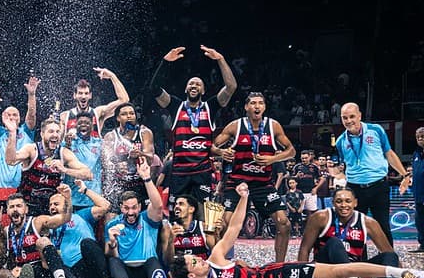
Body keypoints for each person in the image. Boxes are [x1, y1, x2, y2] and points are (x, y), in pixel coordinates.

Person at [168, 182, 424, 278]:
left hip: (278, 274)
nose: (199, 261)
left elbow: (234, 228)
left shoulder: (215, 259)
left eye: (195, 259)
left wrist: (244, 198)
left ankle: (403, 275)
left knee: (341, 270)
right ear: (191, 275)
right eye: (194, 263)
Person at [152, 45, 237, 214]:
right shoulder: (176, 106)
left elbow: (231, 87)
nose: (194, 85)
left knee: (202, 216)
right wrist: (165, 62)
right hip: (179, 172)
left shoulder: (210, 107)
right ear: (186, 89)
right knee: (177, 216)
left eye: (198, 84)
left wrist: (220, 59)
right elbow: (154, 89)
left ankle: (201, 240)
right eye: (191, 83)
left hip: (202, 172)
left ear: (203, 90)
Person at [214, 92, 295, 261]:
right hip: (237, 183)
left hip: (263, 184)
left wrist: (273, 159)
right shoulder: (235, 126)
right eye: (252, 103)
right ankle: (224, 263)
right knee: (223, 225)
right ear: (246, 107)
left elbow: (291, 151)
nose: (256, 106)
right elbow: (212, 147)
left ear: (264, 107)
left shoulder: (273, 126)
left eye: (260, 103)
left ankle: (278, 267)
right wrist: (222, 152)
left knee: (284, 224)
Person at [296, 186, 412, 278]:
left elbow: (389, 254)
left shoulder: (368, 222)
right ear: (332, 203)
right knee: (334, 242)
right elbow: (304, 249)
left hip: (355, 274)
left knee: (389, 255)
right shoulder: (320, 217)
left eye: (348, 201)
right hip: (327, 274)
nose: (343, 205)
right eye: (339, 201)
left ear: (355, 203)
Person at [336, 102, 410, 245]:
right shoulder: (340, 141)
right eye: (345, 118)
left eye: (352, 116)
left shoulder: (376, 130)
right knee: (356, 227)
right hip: (355, 188)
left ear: (359, 116)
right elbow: (344, 166)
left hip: (378, 186)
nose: (349, 121)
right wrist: (337, 173)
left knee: (383, 226)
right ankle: (359, 261)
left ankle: (389, 261)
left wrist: (405, 175)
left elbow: (389, 153)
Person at [104, 158, 166, 278]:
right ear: (121, 208)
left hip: (147, 275)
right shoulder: (112, 224)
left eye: (134, 208)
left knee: (153, 261)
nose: (130, 212)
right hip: (128, 276)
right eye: (126, 208)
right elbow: (111, 255)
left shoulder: (147, 219)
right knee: (113, 261)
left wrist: (146, 178)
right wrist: (112, 242)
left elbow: (157, 205)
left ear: (139, 207)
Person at [5, 116, 92, 215]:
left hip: (50, 209)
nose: (55, 135)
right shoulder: (32, 150)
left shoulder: (64, 154)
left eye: (58, 132)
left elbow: (88, 174)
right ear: (42, 134)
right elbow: (10, 161)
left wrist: (65, 170)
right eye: (51, 131)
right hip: (27, 207)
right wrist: (12, 133)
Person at [0, 188, 75, 278]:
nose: (15, 209)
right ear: (8, 211)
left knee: (43, 241)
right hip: (21, 275)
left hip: (42, 271)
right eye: (12, 207)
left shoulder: (37, 222)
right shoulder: (6, 231)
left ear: (26, 209)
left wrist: (68, 200)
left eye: (19, 206)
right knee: (4, 274)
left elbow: (65, 218)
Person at [47, 179, 110, 278]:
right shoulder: (49, 226)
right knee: (58, 266)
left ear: (66, 205)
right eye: (50, 205)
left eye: (56, 204)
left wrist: (85, 190)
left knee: (88, 243)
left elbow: (105, 206)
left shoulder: (81, 215)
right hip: (70, 274)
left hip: (88, 266)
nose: (52, 207)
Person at [160, 194, 219, 278]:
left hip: (202, 274)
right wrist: (171, 241)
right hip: (180, 277)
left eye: (181, 204)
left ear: (191, 209)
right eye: (176, 204)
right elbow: (167, 261)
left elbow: (216, 251)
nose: (177, 206)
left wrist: (217, 233)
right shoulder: (168, 229)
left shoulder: (203, 226)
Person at [101, 103, 156, 216]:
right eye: (124, 114)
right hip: (119, 184)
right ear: (118, 118)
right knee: (111, 217)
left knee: (145, 217)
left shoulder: (145, 133)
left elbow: (150, 159)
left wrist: (139, 153)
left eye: (131, 113)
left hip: (140, 183)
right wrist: (117, 165)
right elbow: (105, 162)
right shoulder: (111, 136)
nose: (129, 116)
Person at [0, 76, 37, 188]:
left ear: (19, 118)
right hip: (0, 188)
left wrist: (31, 95)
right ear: (3, 118)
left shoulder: (26, 131)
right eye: (8, 115)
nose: (12, 117)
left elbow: (31, 114)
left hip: (23, 189)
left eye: (15, 115)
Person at [60, 68, 130, 139]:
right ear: (74, 95)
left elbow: (124, 100)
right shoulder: (65, 116)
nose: (83, 96)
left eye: (86, 93)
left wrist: (112, 76)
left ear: (90, 95)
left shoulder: (98, 113)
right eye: (80, 93)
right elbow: (58, 141)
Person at [64, 111, 103, 210]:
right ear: (75, 125)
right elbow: (57, 161)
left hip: (93, 197)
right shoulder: (68, 142)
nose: (83, 125)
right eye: (80, 123)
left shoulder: (100, 144)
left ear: (92, 125)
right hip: (73, 197)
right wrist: (66, 145)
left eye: (87, 123)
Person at [292, 150, 320, 218]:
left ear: (309, 157)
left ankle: (311, 226)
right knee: (297, 212)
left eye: (306, 158)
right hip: (299, 192)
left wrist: (316, 188)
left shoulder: (314, 167)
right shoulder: (297, 167)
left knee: (311, 212)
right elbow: (291, 179)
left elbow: (322, 178)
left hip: (311, 192)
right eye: (302, 158)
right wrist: (296, 177)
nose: (304, 160)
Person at [411, 127, 424, 253]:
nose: (420, 139)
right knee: (419, 221)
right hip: (418, 195)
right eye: (417, 137)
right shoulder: (416, 154)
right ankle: (423, 245)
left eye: (422, 136)